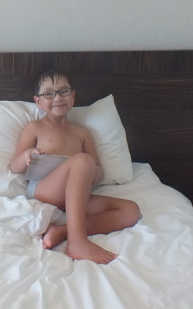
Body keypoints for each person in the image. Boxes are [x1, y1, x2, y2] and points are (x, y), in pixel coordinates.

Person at [10, 70, 141, 264]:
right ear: (38, 101)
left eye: (63, 91)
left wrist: (93, 172)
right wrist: (26, 155)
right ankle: (77, 241)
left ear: (72, 96)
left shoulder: (81, 133)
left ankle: (63, 231)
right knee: (82, 160)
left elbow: (99, 171)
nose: (57, 98)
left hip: (75, 197)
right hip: (45, 190)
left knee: (131, 211)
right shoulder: (35, 127)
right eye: (49, 93)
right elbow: (15, 166)